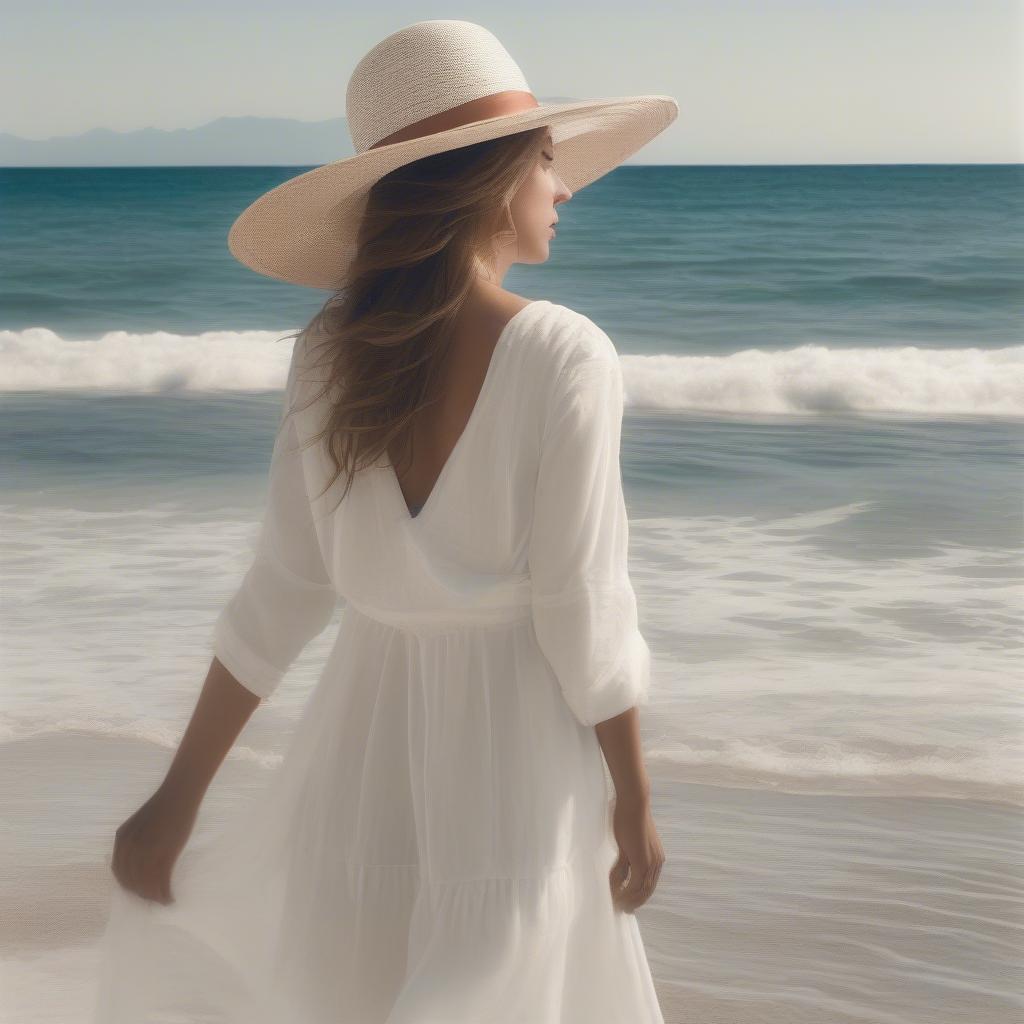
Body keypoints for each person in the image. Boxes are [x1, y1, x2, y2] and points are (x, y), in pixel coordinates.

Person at [93, 19, 679, 1024]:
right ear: (493, 178)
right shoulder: (563, 353)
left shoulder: (332, 351)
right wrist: (632, 789)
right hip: (515, 773)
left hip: (355, 760)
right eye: (546, 160)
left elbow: (280, 594)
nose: (565, 186)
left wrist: (176, 797)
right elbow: (581, 610)